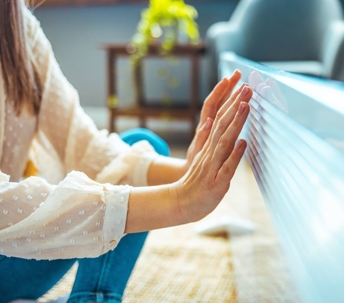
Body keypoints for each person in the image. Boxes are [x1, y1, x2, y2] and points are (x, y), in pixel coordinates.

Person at [0, 0, 252, 302]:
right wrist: (180, 200)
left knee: (142, 146)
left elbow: (85, 145)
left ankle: (92, 298)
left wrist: (189, 171)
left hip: (14, 256)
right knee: (103, 194)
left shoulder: (17, 22)